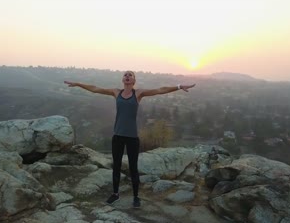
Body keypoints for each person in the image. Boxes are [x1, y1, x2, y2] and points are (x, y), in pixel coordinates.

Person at [64, 71, 195, 208]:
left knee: (133, 168)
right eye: (125, 75)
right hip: (118, 136)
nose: (127, 76)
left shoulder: (138, 94)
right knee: (116, 166)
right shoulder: (116, 92)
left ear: (134, 80)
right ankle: (115, 194)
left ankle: (136, 197)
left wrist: (179, 86)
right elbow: (96, 89)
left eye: (130, 75)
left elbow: (160, 90)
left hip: (132, 137)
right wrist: (78, 84)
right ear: (122, 79)